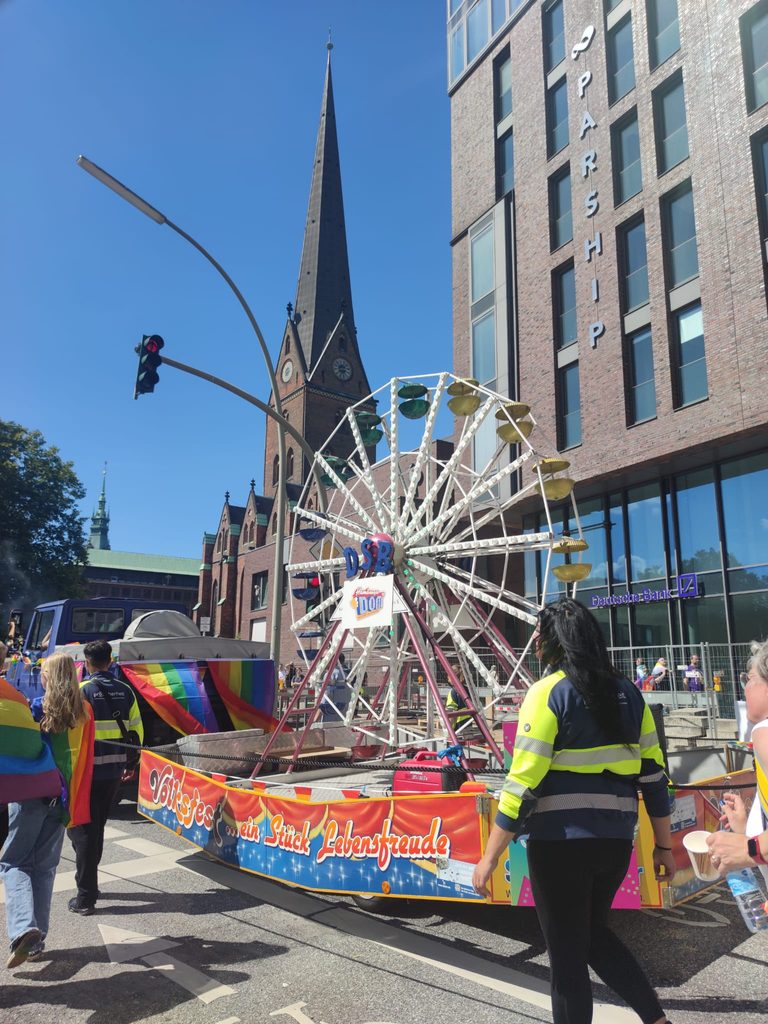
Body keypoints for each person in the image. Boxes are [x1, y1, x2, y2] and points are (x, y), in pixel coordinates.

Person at [472, 598, 675, 1024]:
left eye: (537, 635)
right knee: (591, 938)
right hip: (616, 843)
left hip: (560, 844)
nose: (533, 642)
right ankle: (656, 1019)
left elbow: (522, 786)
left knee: (566, 962)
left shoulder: (548, 694)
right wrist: (663, 846)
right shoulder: (629, 693)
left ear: (550, 641)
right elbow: (654, 777)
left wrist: (490, 856)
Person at [1, 654, 94, 968]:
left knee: (13, 862)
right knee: (44, 870)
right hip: (63, 797)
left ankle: (24, 927)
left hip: (32, 796)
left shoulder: (36, 708)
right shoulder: (84, 711)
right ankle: (36, 942)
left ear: (48, 677)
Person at [68, 639, 143, 915]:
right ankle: (89, 883)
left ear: (87, 663)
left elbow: (71, 731)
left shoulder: (83, 690)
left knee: (81, 829)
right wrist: (132, 762)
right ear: (110, 661)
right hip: (114, 771)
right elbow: (137, 729)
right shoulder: (127, 691)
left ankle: (86, 894)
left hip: (87, 771)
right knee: (96, 826)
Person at [707, 639, 768, 878]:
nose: (745, 688)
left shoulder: (765, 731)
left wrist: (747, 848)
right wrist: (749, 828)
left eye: (750, 679)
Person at [321, 653, 349, 721]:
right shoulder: (347, 674)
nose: (323, 661)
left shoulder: (330, 674)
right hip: (344, 714)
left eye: (325, 658)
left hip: (330, 715)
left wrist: (315, 718)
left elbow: (326, 698)